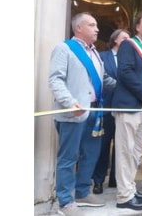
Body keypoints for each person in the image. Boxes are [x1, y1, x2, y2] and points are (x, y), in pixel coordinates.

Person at [48, 12, 116, 216]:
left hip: (94, 112)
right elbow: (55, 80)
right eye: (92, 25)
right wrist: (70, 103)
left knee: (91, 154)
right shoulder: (64, 48)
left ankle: (82, 191)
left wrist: (127, 89)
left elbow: (103, 79)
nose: (97, 29)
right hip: (73, 113)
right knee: (69, 157)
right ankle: (65, 201)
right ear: (78, 28)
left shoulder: (95, 53)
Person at [111, 11, 142, 211]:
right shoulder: (128, 45)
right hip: (128, 105)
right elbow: (124, 72)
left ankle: (130, 187)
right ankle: (124, 196)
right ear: (138, 27)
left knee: (136, 152)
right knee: (125, 151)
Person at [92, 29, 130, 194]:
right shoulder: (102, 56)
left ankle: (116, 180)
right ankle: (98, 180)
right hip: (107, 107)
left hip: (124, 109)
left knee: (121, 147)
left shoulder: (130, 58)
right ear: (115, 40)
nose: (128, 41)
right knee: (103, 145)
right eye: (125, 38)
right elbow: (100, 77)